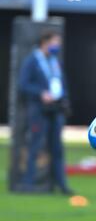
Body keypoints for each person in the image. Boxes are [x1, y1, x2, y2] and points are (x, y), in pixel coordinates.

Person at [19, 30, 74, 195]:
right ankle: (28, 183)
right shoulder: (32, 60)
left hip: (55, 110)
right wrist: (40, 93)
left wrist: (63, 98)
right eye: (55, 42)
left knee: (57, 148)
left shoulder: (54, 61)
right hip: (39, 110)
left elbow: (60, 82)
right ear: (45, 41)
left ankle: (61, 184)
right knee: (35, 146)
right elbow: (23, 85)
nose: (58, 46)